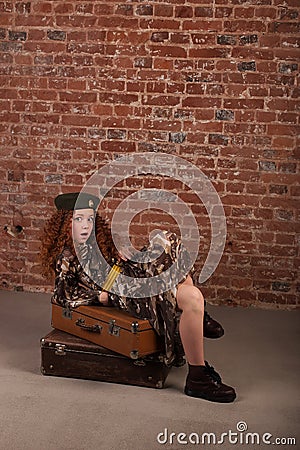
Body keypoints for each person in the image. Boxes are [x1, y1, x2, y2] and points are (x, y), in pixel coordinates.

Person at [41, 192, 236, 403]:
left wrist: (124, 255)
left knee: (167, 239)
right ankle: (198, 374)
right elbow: (62, 295)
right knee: (192, 298)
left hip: (128, 276)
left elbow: (113, 267)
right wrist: (100, 296)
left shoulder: (98, 244)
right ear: (65, 223)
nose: (86, 225)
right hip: (123, 292)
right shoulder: (66, 256)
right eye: (78, 219)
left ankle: (199, 330)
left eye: (90, 218)